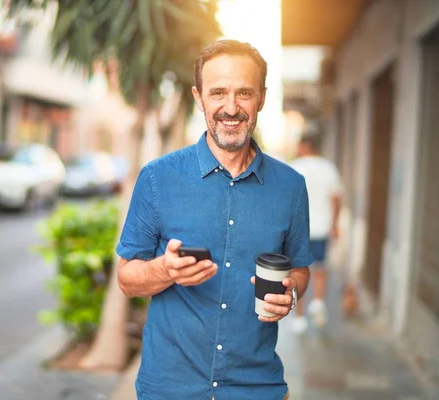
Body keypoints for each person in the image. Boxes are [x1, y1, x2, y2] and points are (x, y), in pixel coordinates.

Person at [116, 40, 313, 400]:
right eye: (218, 92)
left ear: (263, 98)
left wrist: (291, 294)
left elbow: (300, 268)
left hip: (257, 388)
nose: (231, 107)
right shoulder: (158, 178)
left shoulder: (291, 187)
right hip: (170, 389)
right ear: (199, 97)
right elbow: (127, 279)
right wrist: (165, 271)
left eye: (244, 93)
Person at [289, 134, 342, 333]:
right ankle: (318, 303)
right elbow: (336, 199)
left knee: (297, 271)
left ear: (303, 146)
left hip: (299, 229)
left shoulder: (294, 167)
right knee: (319, 269)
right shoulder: (329, 169)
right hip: (321, 227)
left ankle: (299, 318)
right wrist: (335, 224)